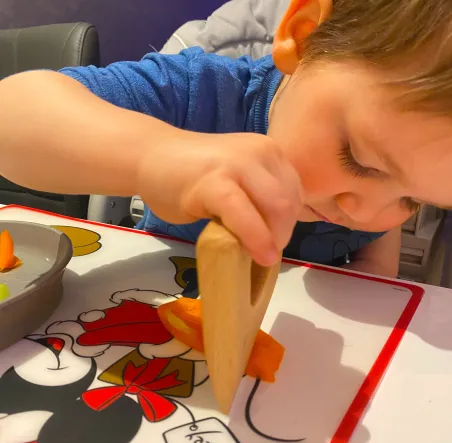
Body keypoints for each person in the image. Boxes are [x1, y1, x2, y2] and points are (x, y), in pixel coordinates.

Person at [1, 0, 451, 278]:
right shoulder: (198, 93)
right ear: (305, 37)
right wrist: (156, 155)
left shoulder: (375, 193)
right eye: (357, 159)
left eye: (412, 200)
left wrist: (372, 288)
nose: (366, 211)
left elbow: (376, 263)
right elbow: (12, 114)